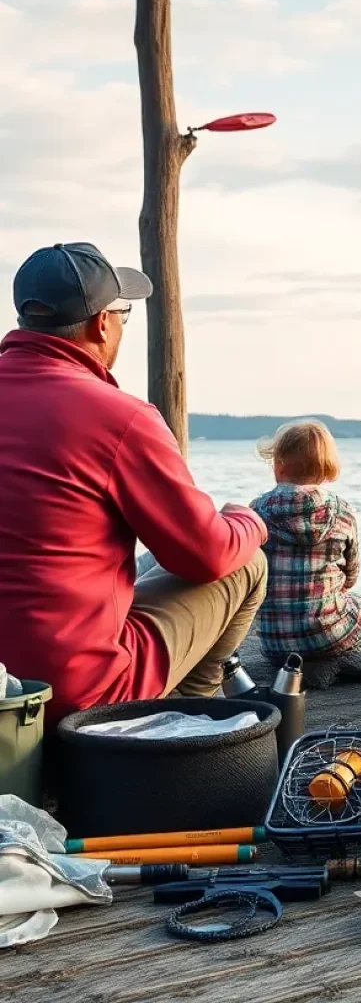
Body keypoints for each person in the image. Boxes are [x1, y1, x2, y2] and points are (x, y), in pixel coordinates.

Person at [0, 241, 268, 725]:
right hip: (76, 693)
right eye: (123, 311)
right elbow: (205, 556)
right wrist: (248, 519)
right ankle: (176, 730)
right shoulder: (117, 417)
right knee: (246, 563)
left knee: (143, 565)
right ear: (101, 323)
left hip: (5, 687)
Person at [250, 419, 361, 687]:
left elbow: (249, 570)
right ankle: (353, 642)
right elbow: (352, 571)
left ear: (279, 464)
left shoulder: (257, 509)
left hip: (274, 642)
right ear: (328, 468)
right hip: (327, 633)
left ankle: (328, 651)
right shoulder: (342, 510)